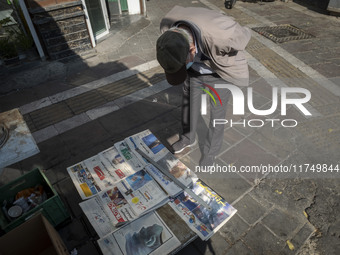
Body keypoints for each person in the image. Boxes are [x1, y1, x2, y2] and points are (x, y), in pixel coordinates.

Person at [156, 6, 251, 167]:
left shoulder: (225, 37)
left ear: (192, 49)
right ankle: (188, 137)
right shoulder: (167, 31)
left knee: (217, 114)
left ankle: (210, 152)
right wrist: (184, 66)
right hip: (194, 70)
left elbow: (246, 33)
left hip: (218, 73)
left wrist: (222, 54)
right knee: (188, 103)